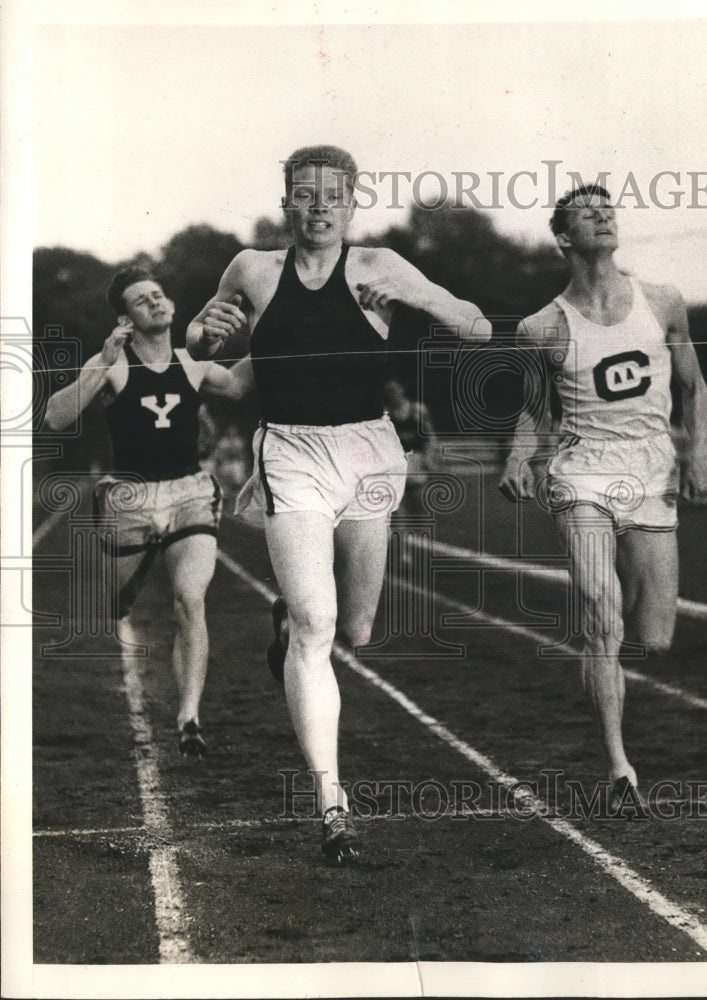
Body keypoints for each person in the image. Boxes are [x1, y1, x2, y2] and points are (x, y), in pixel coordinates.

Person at [187, 144, 491, 861]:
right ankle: (332, 804)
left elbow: (475, 325)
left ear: (352, 203)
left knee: (354, 629)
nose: (318, 206)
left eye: (332, 195)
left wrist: (421, 301)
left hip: (370, 453)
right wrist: (207, 333)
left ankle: (291, 623)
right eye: (304, 193)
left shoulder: (379, 266)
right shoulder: (251, 268)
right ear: (285, 200)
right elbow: (200, 337)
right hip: (291, 451)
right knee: (315, 623)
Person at [499, 184, 707, 817]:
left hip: (651, 476)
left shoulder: (664, 302)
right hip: (581, 475)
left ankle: (607, 670)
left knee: (654, 638)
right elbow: (535, 410)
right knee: (601, 612)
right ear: (563, 238)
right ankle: (620, 765)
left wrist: (699, 457)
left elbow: (694, 386)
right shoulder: (540, 327)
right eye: (585, 212)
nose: (602, 215)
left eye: (607, 208)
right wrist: (517, 456)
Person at [44, 266, 253, 757]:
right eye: (143, 301)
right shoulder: (113, 363)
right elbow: (56, 416)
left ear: (173, 306)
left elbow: (242, 384)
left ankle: (189, 716)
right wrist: (102, 362)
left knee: (189, 599)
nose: (156, 303)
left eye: (160, 295)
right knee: (120, 600)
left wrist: (271, 330)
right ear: (126, 318)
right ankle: (127, 591)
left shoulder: (193, 362)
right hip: (129, 499)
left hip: (189, 492)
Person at [384, 378, 439, 522]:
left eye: (395, 389)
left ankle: (423, 537)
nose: (393, 393)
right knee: (397, 511)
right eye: (390, 391)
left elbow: (430, 436)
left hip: (415, 460)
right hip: (395, 464)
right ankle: (402, 538)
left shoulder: (417, 410)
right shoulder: (385, 414)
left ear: (402, 389)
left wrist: (429, 457)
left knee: (419, 507)